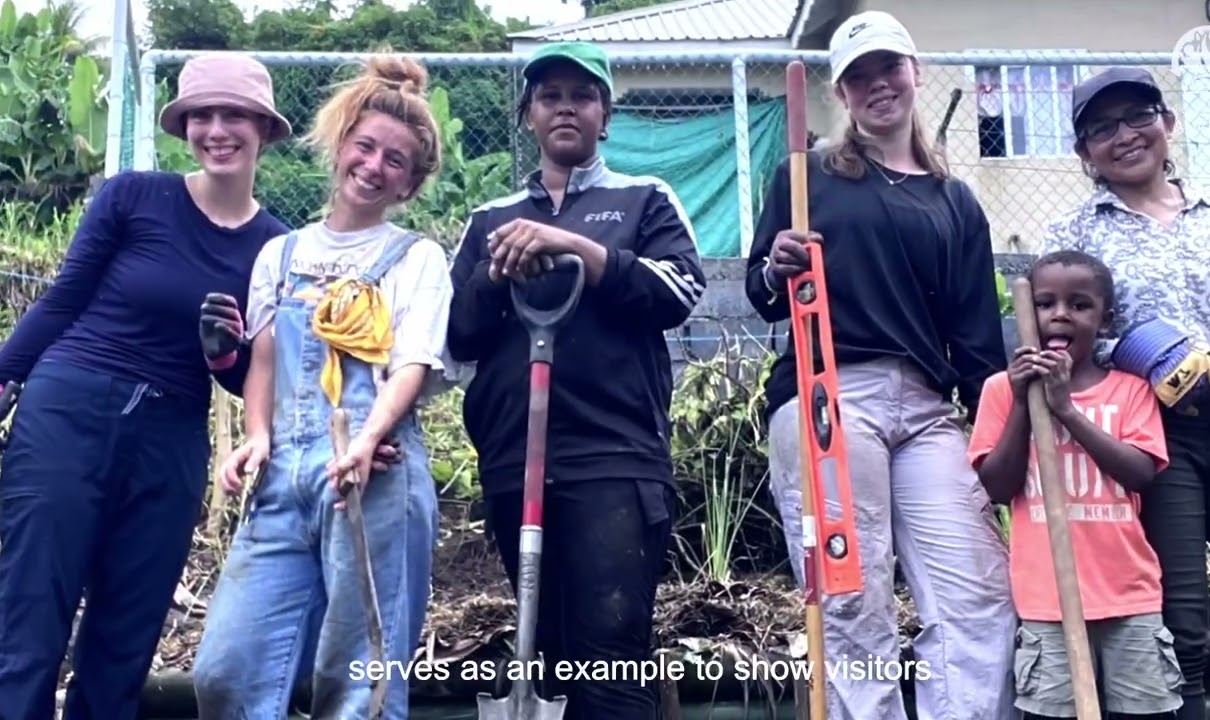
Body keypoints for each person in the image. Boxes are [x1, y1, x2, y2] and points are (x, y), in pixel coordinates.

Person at [0, 53, 298, 720]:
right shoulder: (133, 196)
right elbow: (62, 301)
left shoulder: (278, 247)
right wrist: (3, 374)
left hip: (170, 436)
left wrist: (223, 354)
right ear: (184, 127)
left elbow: (250, 378)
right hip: (68, 409)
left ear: (264, 129)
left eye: (234, 115)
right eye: (201, 115)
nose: (216, 130)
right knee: (30, 620)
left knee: (124, 640)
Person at [743, 10, 1018, 720]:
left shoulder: (955, 200)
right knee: (850, 598)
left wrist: (997, 430)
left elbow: (976, 340)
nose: (878, 85)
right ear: (842, 92)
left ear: (915, 71)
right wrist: (776, 268)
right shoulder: (807, 176)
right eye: (858, 76)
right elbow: (761, 293)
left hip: (927, 409)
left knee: (978, 593)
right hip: (829, 393)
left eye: (889, 67)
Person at [446, 41, 705, 720]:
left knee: (610, 650)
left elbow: (679, 291)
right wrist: (496, 274)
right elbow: (457, 334)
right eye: (550, 96)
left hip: (614, 458)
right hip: (516, 459)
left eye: (582, 96)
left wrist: (579, 250)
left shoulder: (644, 199)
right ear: (529, 115)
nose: (566, 108)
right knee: (547, 646)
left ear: (605, 116)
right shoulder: (490, 221)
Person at [187, 53, 451, 718]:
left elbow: (413, 365)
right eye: (365, 146)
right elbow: (265, 357)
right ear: (339, 145)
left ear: (410, 183)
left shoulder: (416, 258)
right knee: (227, 672)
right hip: (283, 479)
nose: (374, 166)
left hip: (375, 477)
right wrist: (256, 436)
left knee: (360, 684)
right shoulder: (281, 254)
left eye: (395, 160)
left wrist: (366, 439)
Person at [1040, 66, 1210, 720]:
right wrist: (1145, 353)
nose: (1125, 135)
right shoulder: (1074, 233)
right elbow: (1056, 339)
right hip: (1148, 439)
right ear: (1084, 151)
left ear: (1167, 123)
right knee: (1181, 632)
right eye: (1102, 128)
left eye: (1138, 116)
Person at [967, 250, 1183, 719]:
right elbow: (998, 487)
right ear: (1026, 316)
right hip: (1046, 604)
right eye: (1044, 304)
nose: (1060, 314)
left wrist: (1065, 409)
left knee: (1146, 712)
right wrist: (1025, 403)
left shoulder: (1130, 390)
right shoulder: (1000, 391)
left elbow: (1140, 473)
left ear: (1105, 321)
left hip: (1129, 597)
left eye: (1079, 305)